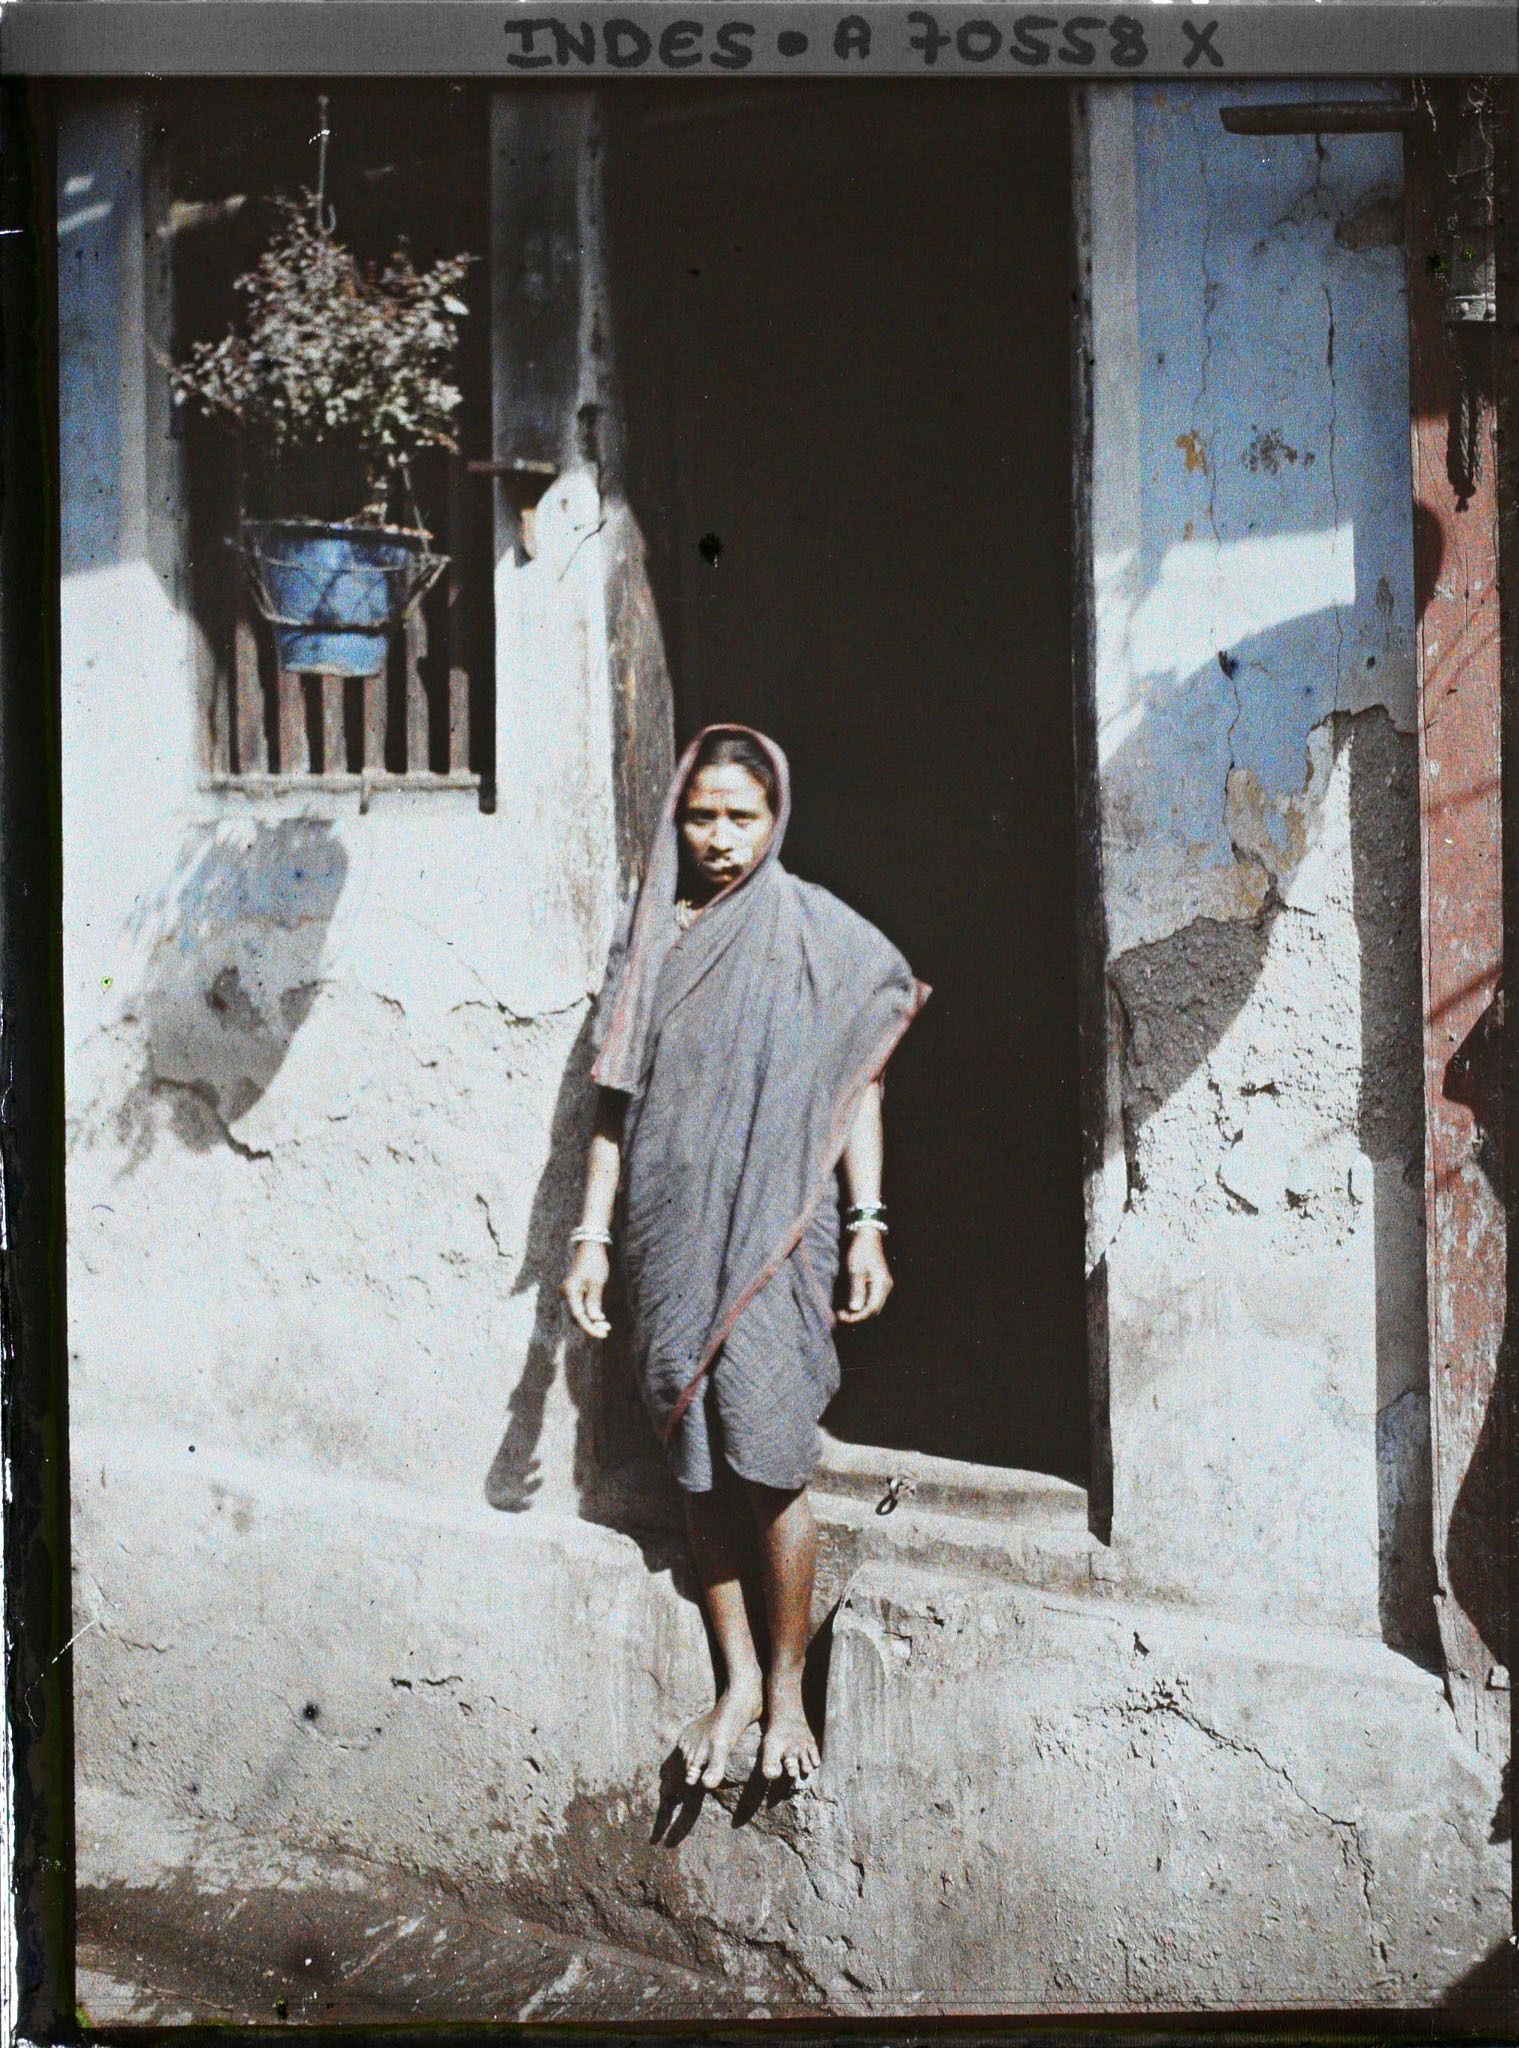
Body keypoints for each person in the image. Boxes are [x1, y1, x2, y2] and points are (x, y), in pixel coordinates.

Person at [563, 724, 928, 1792]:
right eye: (701, 816)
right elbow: (612, 1108)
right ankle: (733, 1682)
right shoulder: (651, 941)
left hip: (777, 1234)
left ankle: (786, 1685)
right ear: (677, 820)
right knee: (693, 1457)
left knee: (767, 1458)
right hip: (670, 1231)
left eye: (741, 816)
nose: (720, 837)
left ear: (776, 818)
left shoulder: (815, 933)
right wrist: (590, 1239)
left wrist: (868, 1223)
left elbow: (858, 1081)